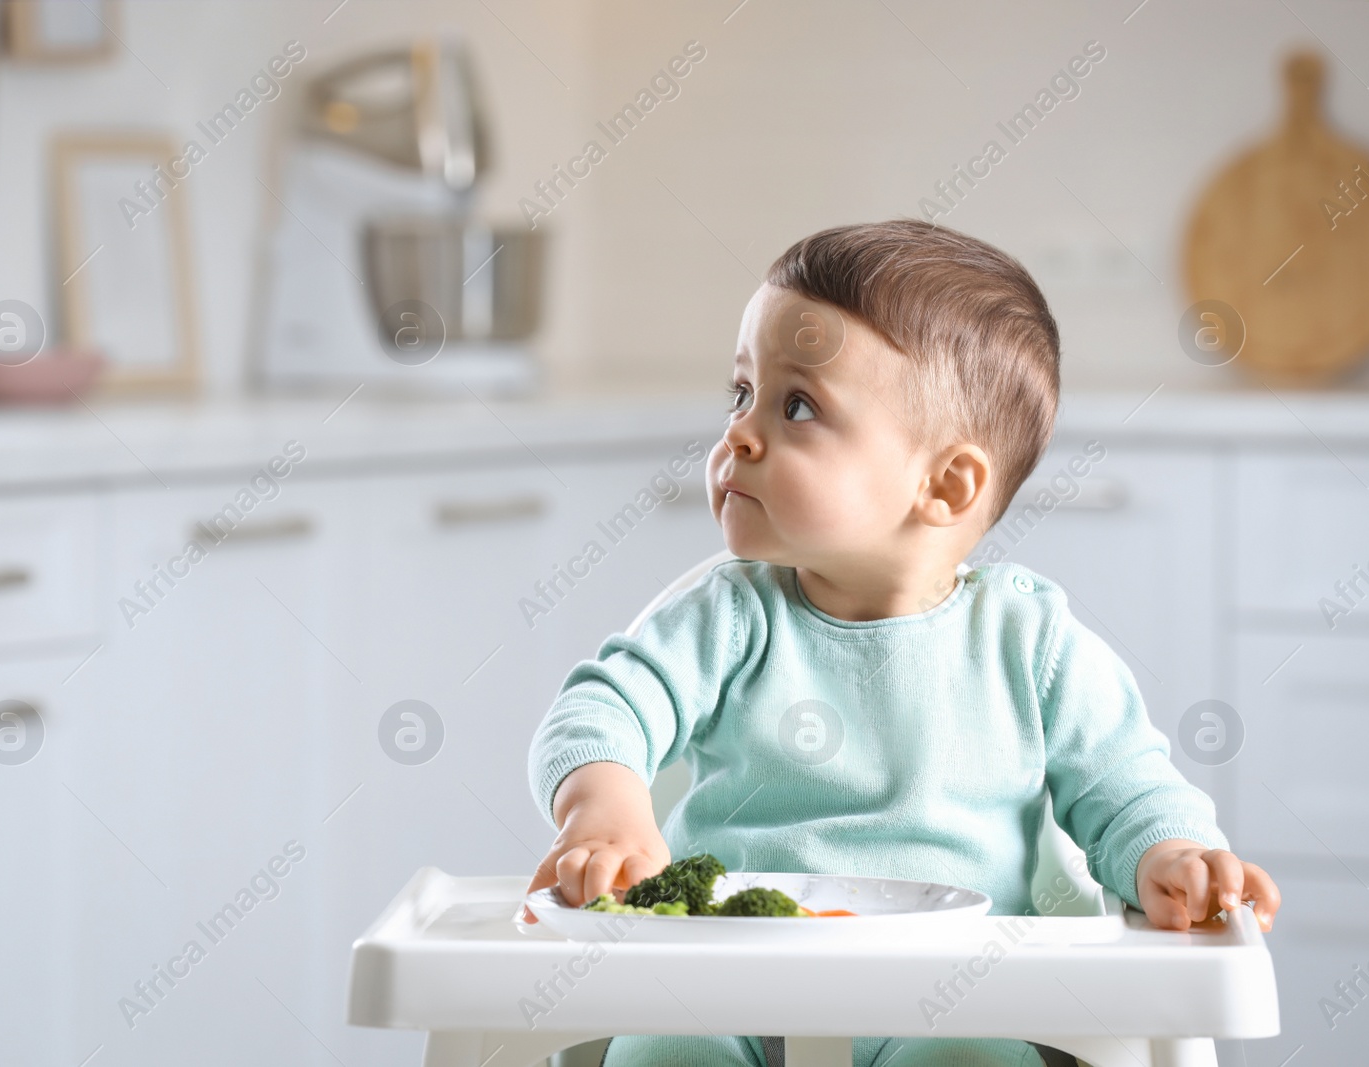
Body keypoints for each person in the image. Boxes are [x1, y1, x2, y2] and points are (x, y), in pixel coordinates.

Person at [524, 220, 1281, 1067]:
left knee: (974, 1058)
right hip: (725, 980)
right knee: (665, 1049)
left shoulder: (1029, 643)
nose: (739, 432)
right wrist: (606, 807)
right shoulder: (727, 616)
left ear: (945, 484)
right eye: (740, 392)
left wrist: (1172, 853)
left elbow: (1127, 782)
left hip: (958, 990)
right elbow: (601, 707)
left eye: (797, 404)